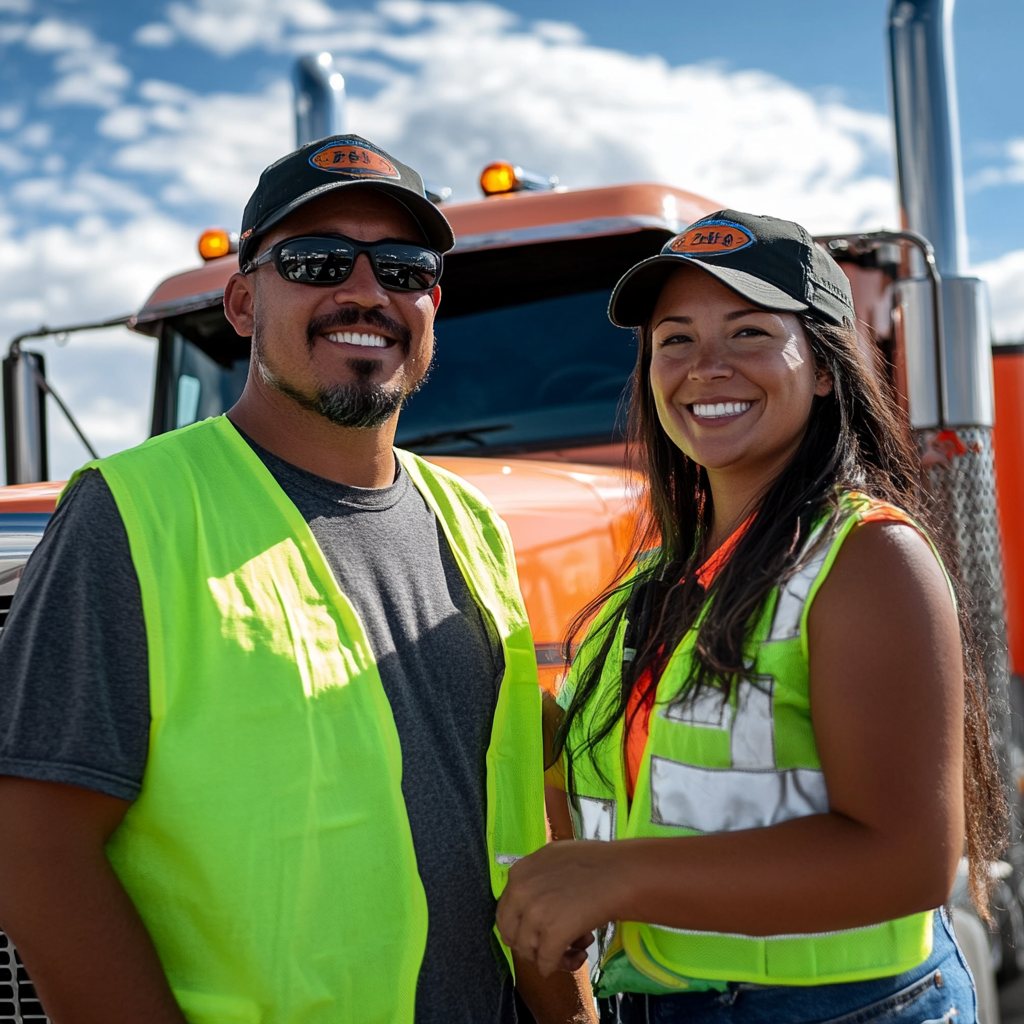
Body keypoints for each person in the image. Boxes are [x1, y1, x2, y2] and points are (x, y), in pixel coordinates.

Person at [0, 135, 594, 1024]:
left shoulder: (473, 527)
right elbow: (32, 846)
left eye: (402, 267)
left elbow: (519, 820)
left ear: (433, 302)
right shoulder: (130, 515)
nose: (365, 291)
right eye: (317, 262)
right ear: (241, 303)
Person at [496, 210, 1008, 1023]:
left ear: (827, 369)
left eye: (747, 333)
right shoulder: (644, 591)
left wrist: (617, 876)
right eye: (675, 340)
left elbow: (909, 859)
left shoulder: (868, 558)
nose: (706, 367)